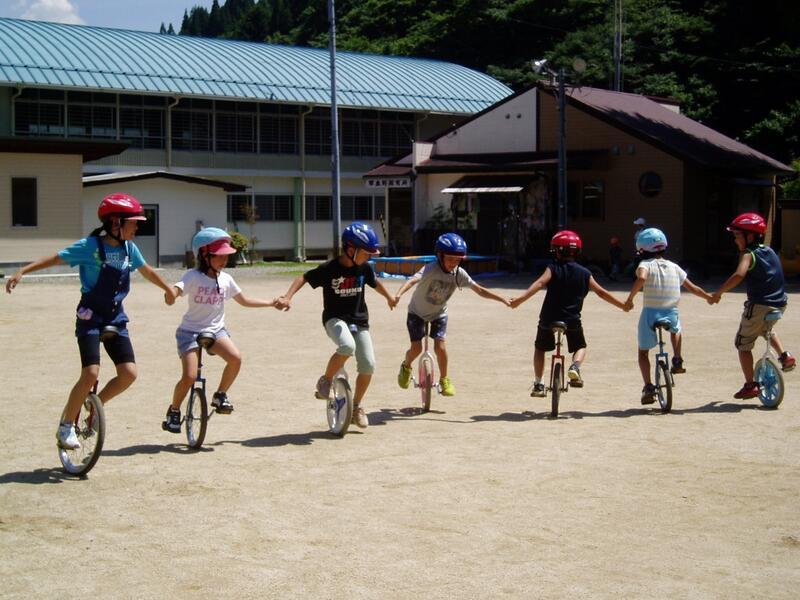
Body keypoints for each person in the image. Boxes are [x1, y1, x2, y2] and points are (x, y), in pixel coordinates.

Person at [5, 193, 176, 450]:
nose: (137, 228)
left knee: (129, 374)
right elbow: (56, 258)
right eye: (133, 222)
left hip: (115, 317)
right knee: (90, 373)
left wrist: (168, 288)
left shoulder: (129, 249)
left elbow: (147, 271)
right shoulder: (90, 246)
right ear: (116, 222)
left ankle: (96, 406)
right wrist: (22, 271)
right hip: (91, 317)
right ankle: (66, 426)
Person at [275, 222, 397, 429]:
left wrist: (389, 297)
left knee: (368, 364)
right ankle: (326, 380)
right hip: (334, 318)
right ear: (350, 249)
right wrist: (287, 297)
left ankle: (356, 407)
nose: (368, 257)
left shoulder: (365, 267)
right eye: (365, 253)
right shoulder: (329, 269)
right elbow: (303, 277)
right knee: (347, 346)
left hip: (359, 320)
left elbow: (375, 283)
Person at [162, 228, 279, 433]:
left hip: (216, 331)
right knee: (189, 376)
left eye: (226, 256)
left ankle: (220, 395)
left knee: (235, 359)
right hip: (190, 332)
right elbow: (175, 291)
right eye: (219, 256)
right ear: (204, 255)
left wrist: (271, 302)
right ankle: (174, 410)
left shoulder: (226, 279)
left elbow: (244, 300)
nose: (224, 260)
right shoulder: (193, 276)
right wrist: (170, 295)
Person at [510, 230, 629, 397]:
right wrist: (622, 305)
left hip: (548, 318)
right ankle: (575, 367)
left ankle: (539, 384)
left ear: (556, 251)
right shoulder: (585, 273)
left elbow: (540, 283)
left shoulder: (552, 268)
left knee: (540, 348)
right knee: (580, 346)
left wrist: (519, 300)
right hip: (572, 319)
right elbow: (601, 293)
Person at [394, 233, 510, 397]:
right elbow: (412, 280)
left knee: (440, 347)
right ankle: (406, 366)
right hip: (417, 313)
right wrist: (398, 294)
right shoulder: (430, 269)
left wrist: (502, 299)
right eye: (450, 259)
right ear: (440, 256)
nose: (453, 263)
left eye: (457, 260)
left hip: (439, 314)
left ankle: (444, 379)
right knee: (416, 348)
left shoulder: (459, 274)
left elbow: (479, 290)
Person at [709, 212, 795, 399]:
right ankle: (785, 356)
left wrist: (718, 293)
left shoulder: (748, 254)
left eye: (737, 235)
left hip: (759, 305)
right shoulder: (770, 251)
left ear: (750, 236)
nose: (735, 240)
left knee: (743, 344)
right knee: (766, 328)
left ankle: (750, 385)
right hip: (780, 303)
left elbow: (739, 275)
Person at [623, 227, 713, 403]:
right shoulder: (675, 267)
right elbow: (692, 287)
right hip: (671, 311)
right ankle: (677, 358)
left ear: (641, 249)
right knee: (676, 328)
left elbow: (642, 278)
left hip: (650, 313)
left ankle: (648, 386)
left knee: (643, 353)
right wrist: (708, 297)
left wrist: (630, 299)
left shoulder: (645, 264)